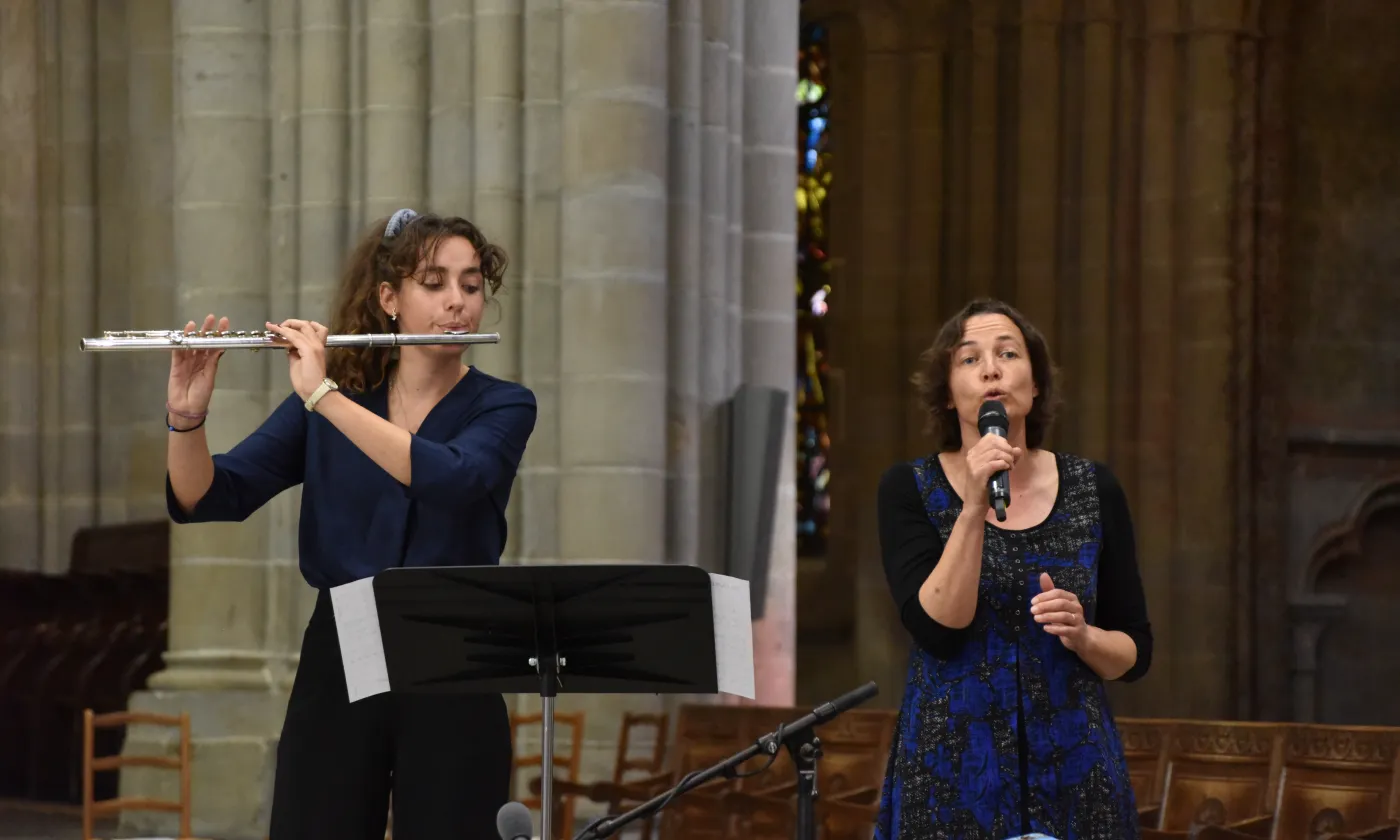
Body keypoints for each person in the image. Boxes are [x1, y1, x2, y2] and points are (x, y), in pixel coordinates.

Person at [163, 208, 537, 840]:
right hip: (344, 640)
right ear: (389, 297)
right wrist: (185, 419)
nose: (457, 303)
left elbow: (452, 477)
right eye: (435, 283)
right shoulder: (334, 400)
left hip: (455, 648)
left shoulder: (503, 404)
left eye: (471, 286)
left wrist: (323, 396)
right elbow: (212, 494)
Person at [872, 298, 1151, 840]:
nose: (991, 369)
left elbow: (1136, 652)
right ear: (949, 395)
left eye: (1008, 353)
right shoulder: (908, 489)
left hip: (1076, 773)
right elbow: (938, 628)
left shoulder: (1095, 488)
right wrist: (974, 506)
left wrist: (1084, 636)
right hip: (952, 773)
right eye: (969, 359)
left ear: (1036, 383)